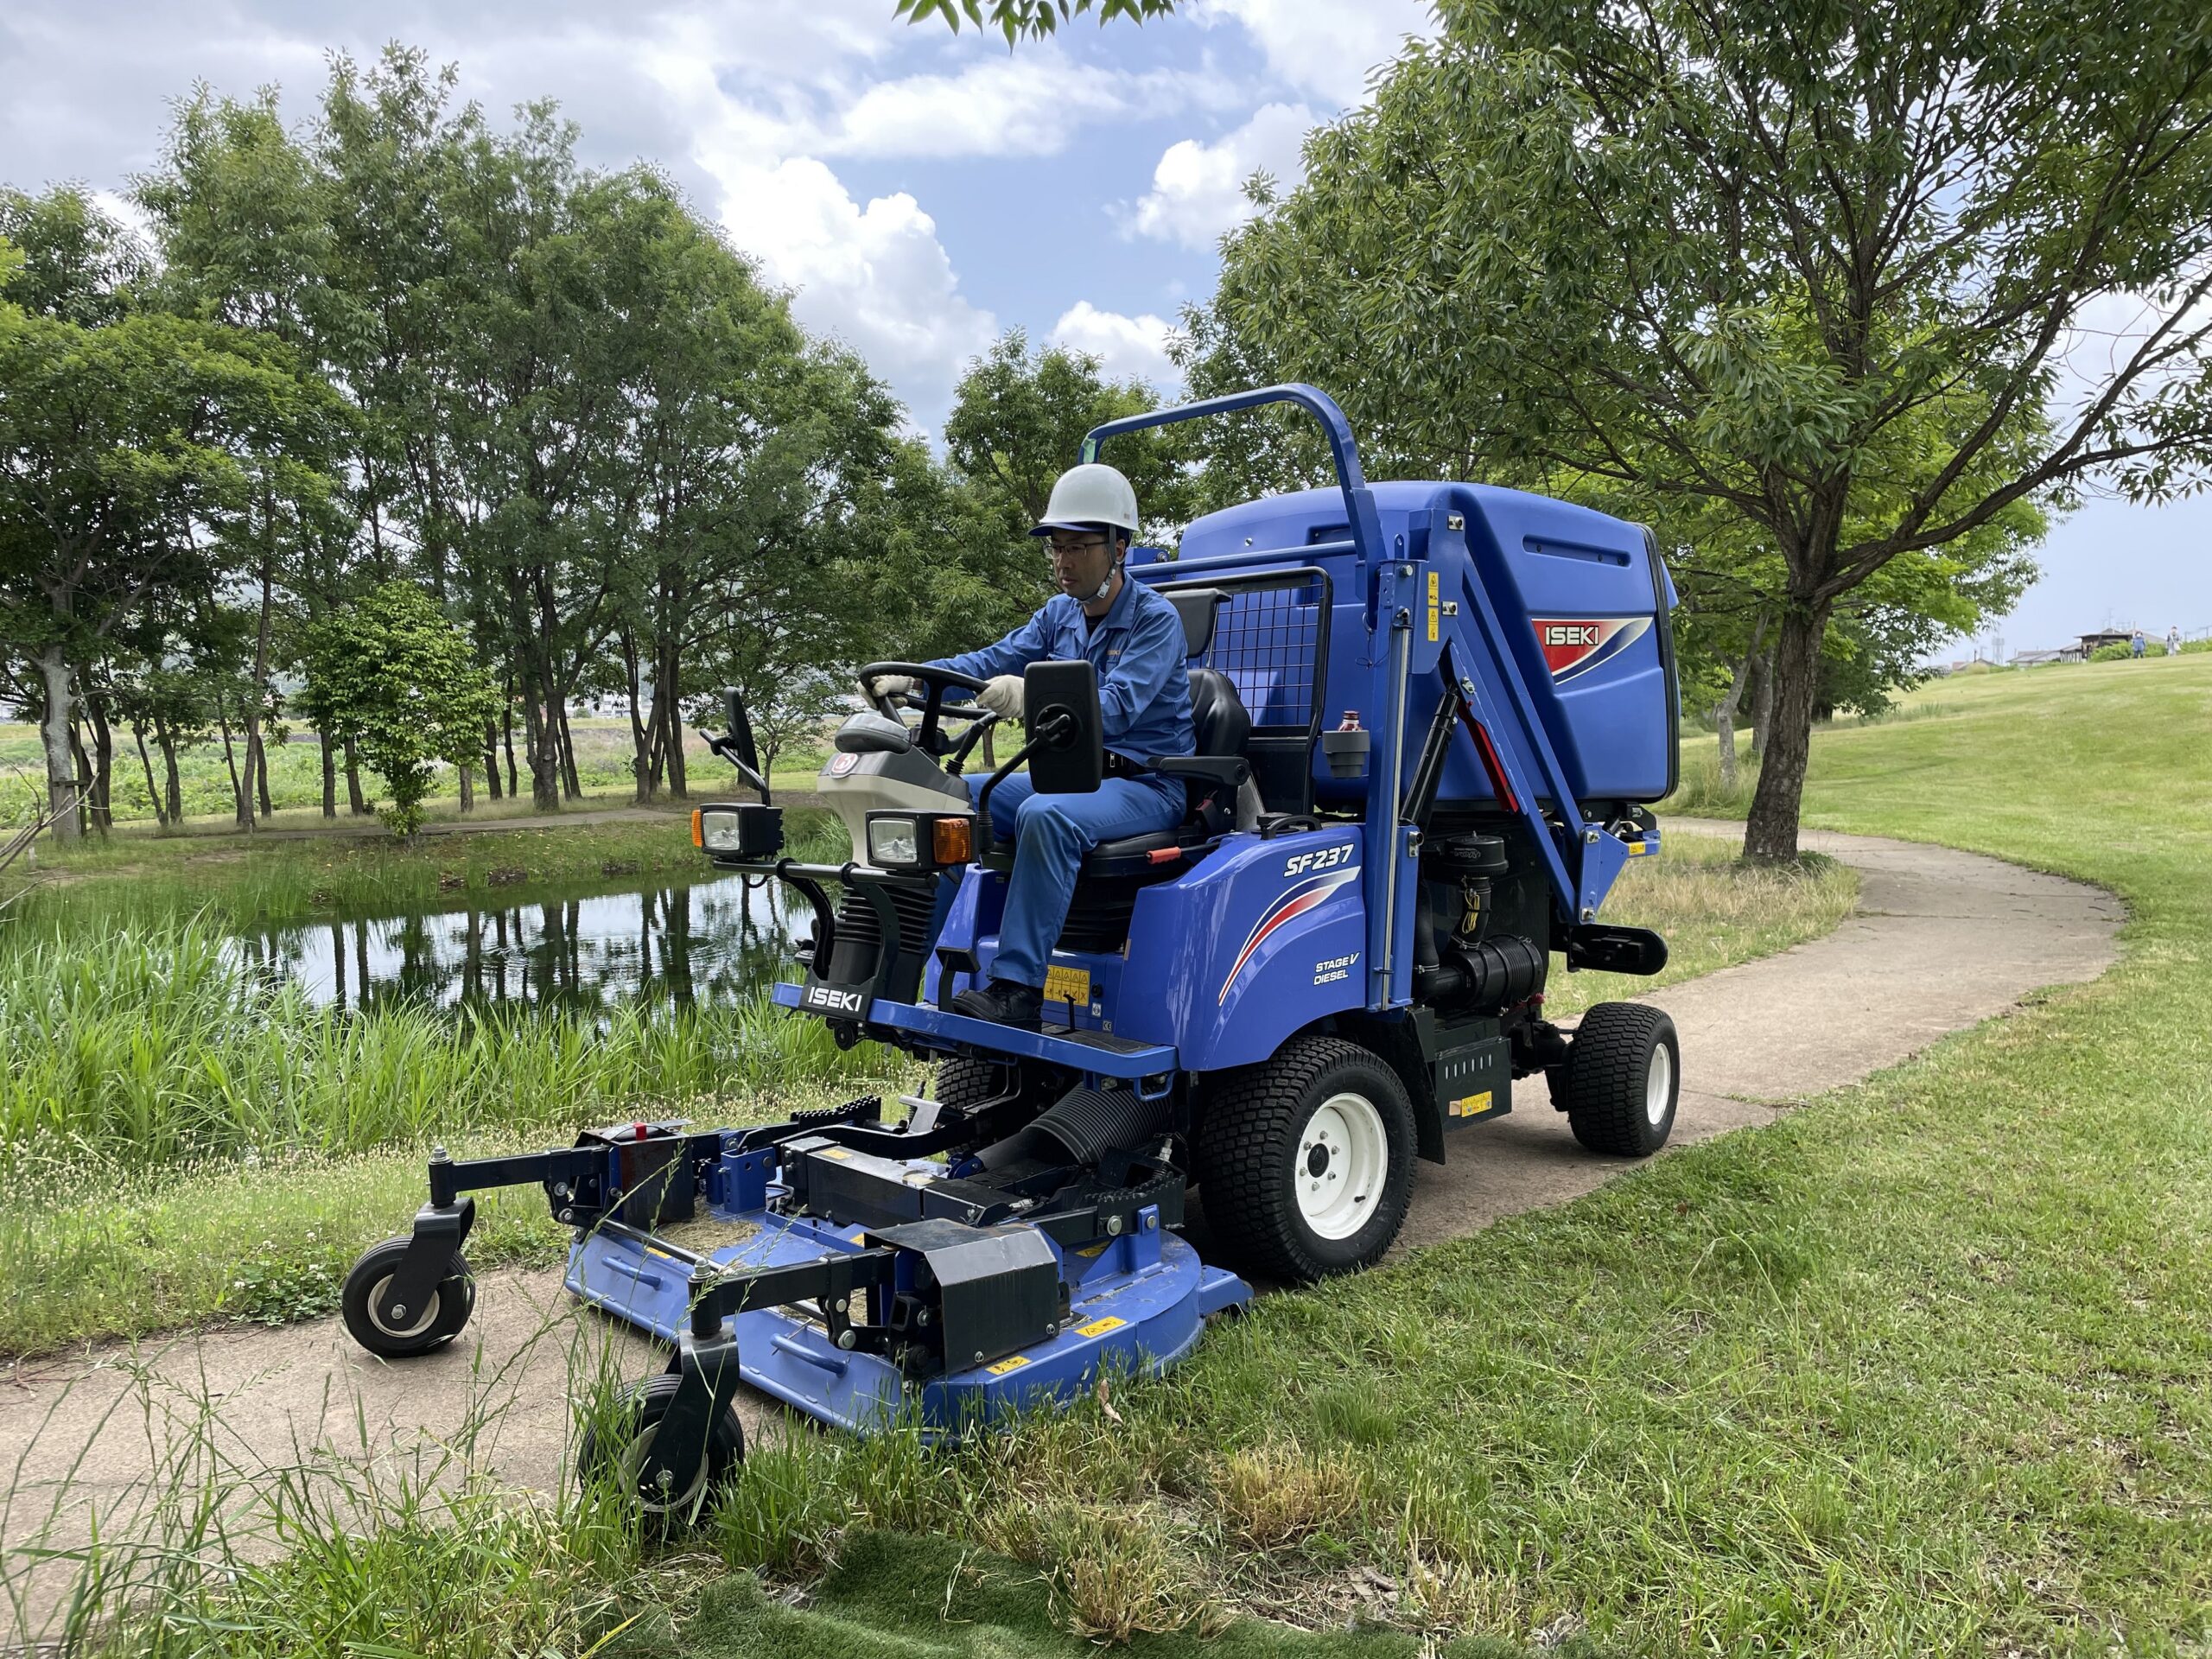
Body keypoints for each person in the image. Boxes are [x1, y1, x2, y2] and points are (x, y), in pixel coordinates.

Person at [871, 463, 1194, 1027]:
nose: (1063, 562)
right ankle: (897, 963)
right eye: (1055, 548)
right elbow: (987, 662)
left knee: (1047, 816)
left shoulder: (1156, 621)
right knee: (945, 795)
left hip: (1145, 783)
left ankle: (1017, 990)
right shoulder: (1058, 616)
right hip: (1072, 778)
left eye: (1077, 547)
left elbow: (1118, 706)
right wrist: (920, 678)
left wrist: (1034, 697)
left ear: (1118, 547)